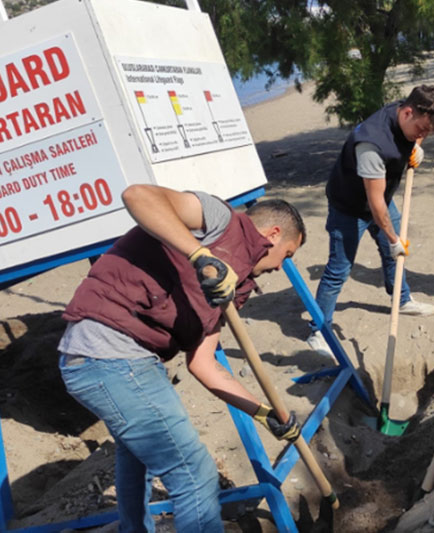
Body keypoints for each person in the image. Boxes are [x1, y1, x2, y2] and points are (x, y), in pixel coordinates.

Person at [58, 184, 307, 532]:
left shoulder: (235, 287)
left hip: (136, 362)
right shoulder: (219, 220)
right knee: (195, 474)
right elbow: (137, 196)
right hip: (107, 354)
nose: (282, 267)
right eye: (288, 254)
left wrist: (265, 413)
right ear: (273, 234)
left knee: (136, 461)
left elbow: (204, 364)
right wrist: (200, 255)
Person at [306, 85, 434, 357]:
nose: (422, 135)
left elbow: (414, 134)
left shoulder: (407, 110)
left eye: (427, 132)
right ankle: (318, 330)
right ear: (407, 113)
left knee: (393, 256)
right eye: (421, 130)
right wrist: (394, 238)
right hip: (349, 207)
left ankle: (402, 300)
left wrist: (416, 146)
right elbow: (376, 205)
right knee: (339, 269)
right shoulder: (371, 145)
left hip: (381, 199)